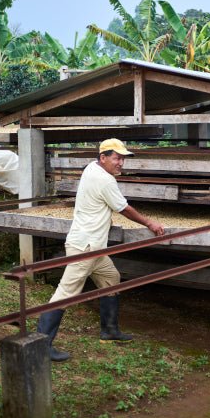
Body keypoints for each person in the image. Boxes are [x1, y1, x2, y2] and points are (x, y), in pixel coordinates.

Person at [37, 138, 165, 362]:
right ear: (103, 158)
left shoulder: (90, 168)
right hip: (85, 246)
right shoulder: (104, 180)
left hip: (94, 246)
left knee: (110, 278)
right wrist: (150, 223)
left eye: (123, 158)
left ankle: (110, 330)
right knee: (65, 294)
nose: (121, 163)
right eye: (117, 158)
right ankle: (41, 344)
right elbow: (124, 208)